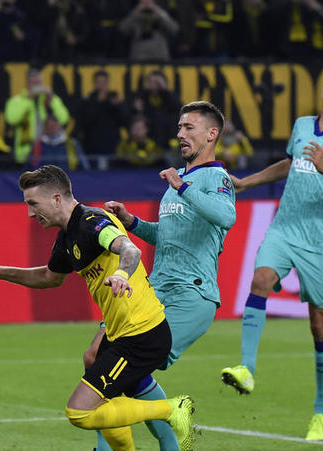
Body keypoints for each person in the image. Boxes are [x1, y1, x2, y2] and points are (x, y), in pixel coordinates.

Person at [0, 165, 195, 451]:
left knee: (81, 411)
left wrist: (122, 275)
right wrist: (2, 272)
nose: (29, 213)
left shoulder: (92, 221)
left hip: (142, 335)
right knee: (99, 387)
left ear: (56, 199)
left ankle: (171, 409)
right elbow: (48, 278)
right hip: (121, 335)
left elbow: (130, 249)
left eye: (32, 204)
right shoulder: (67, 236)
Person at [220, 62, 323, 441]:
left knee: (318, 321)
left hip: (322, 239)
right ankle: (247, 368)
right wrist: (247, 182)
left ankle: (322, 411)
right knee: (260, 278)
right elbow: (290, 164)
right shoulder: (304, 125)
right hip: (285, 227)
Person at [94, 101, 236, 451]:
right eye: (179, 127)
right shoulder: (181, 180)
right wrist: (132, 222)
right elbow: (167, 236)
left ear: (211, 134)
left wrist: (183, 188)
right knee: (99, 357)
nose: (180, 134)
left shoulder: (216, 177)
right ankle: (170, 436)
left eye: (189, 127)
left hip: (191, 294)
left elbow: (226, 216)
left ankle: (124, 444)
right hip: (157, 288)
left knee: (121, 364)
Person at [4, 67, 70, 166]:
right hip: (25, 153)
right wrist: (28, 99)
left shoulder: (49, 99)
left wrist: (52, 98)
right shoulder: (17, 101)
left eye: (38, 83)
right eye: (33, 83)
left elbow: (64, 119)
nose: (36, 86)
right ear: (27, 83)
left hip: (47, 152)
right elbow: (11, 119)